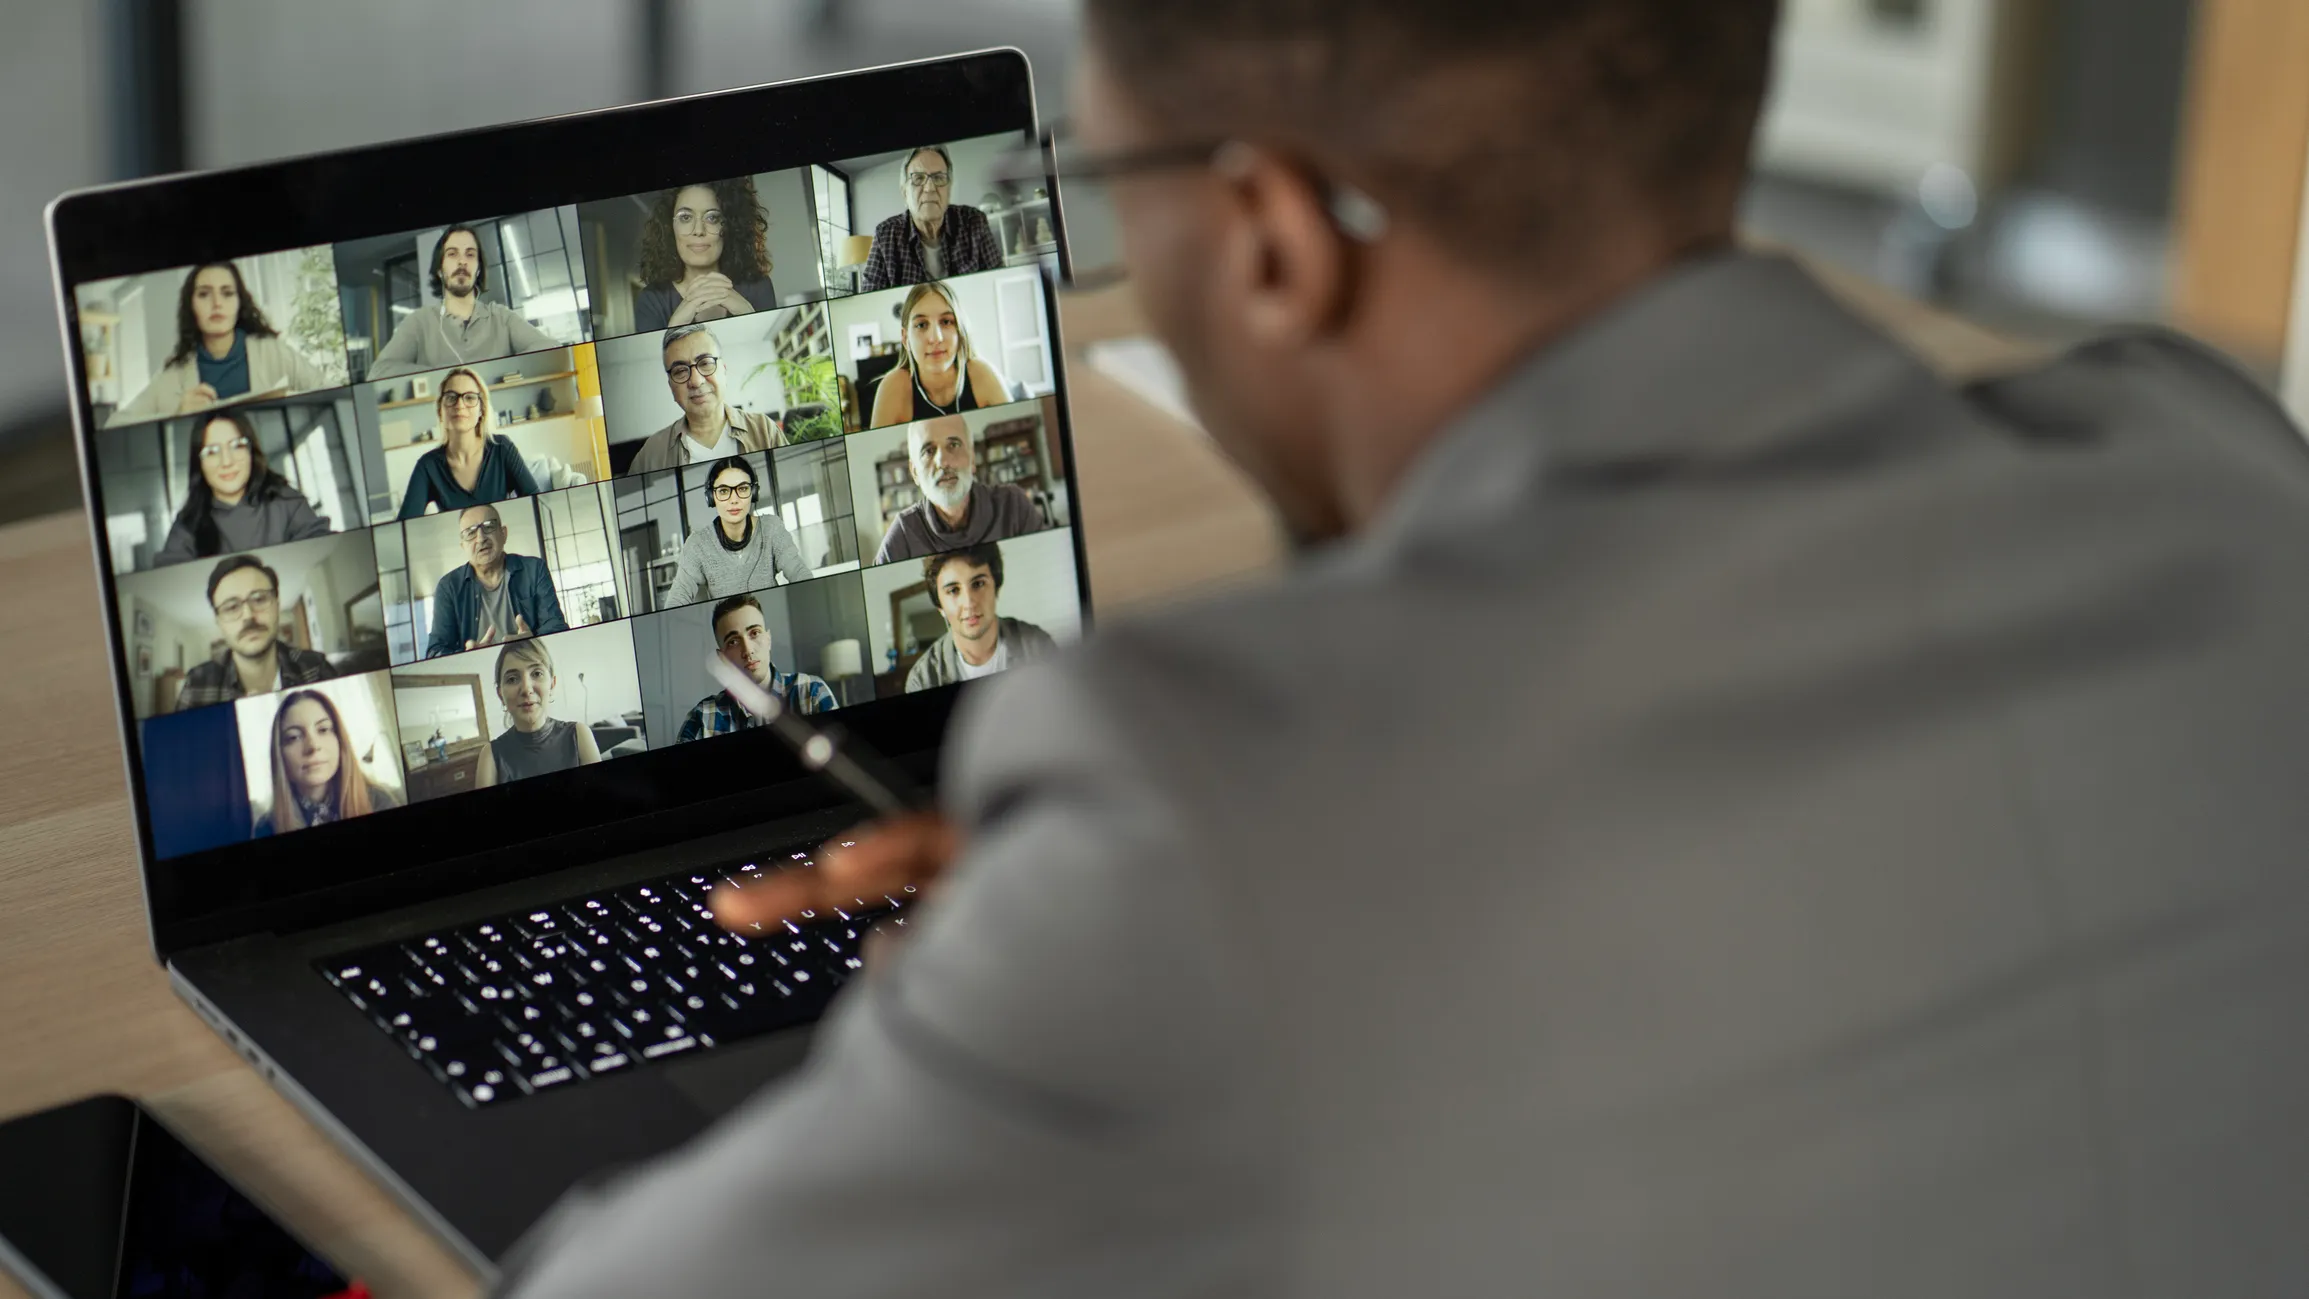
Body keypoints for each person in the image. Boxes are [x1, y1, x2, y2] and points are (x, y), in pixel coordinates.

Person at [503, 1, 2309, 1295]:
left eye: (1117, 178)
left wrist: (1044, 986)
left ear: (1278, 237)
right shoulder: (2215, 471)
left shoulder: (1202, 813)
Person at [108, 261, 330, 426]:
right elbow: (114, 424)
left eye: (227, 293)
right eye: (204, 294)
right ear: (191, 306)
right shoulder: (172, 375)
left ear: (239, 303)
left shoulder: (272, 351)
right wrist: (177, 417)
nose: (217, 303)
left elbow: (327, 392)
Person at [367, 225, 560, 380]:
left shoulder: (502, 317)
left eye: (470, 254)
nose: (462, 261)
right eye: (452, 254)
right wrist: (447, 375)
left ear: (478, 270)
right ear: (440, 270)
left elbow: (551, 349)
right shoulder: (418, 322)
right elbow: (379, 371)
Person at [151, 412, 332, 566]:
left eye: (237, 446)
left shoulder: (285, 500)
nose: (227, 461)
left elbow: (321, 545)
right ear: (199, 463)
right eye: (212, 451)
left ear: (250, 451)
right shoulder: (187, 525)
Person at [172, 556, 339, 711]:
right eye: (231, 607)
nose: (248, 616)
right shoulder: (197, 684)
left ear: (276, 605)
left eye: (259, 599)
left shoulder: (316, 667)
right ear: (219, 623)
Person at [873, 415, 1045, 563]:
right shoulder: (902, 536)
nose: (942, 461)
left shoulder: (1013, 505)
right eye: (929, 451)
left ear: (972, 460)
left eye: (953, 445)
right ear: (915, 472)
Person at [678, 593, 838, 742]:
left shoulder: (812, 692)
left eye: (754, 633)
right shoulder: (701, 718)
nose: (748, 650)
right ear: (722, 658)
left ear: (768, 640)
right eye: (733, 642)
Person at [625, 325, 783, 473]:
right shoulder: (650, 455)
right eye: (680, 371)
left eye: (705, 363)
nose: (696, 381)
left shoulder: (763, 430)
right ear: (671, 386)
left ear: (723, 371)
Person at [903, 543, 1056, 691]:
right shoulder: (922, 680)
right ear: (940, 607)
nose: (969, 603)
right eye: (953, 590)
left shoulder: (1038, 645)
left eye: (978, 584)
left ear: (996, 589)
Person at [631, 180, 779, 332]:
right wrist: (676, 325)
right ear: (670, 228)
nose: (699, 230)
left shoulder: (759, 286)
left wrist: (748, 315)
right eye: (685, 218)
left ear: (730, 226)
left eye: (712, 218)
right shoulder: (651, 300)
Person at [423, 505, 569, 659]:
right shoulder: (449, 587)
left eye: (488, 526)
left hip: (532, 660)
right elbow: (435, 651)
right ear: (463, 546)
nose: (481, 538)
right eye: (470, 533)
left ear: (503, 534)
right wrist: (467, 656)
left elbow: (556, 627)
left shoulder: (533, 569)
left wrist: (532, 642)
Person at [865, 280, 1012, 431]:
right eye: (921, 325)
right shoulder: (893, 387)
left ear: (959, 331)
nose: (935, 338)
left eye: (946, 322)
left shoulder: (983, 374)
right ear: (905, 338)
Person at [395, 368, 541, 519]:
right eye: (451, 397)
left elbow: (537, 501)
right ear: (440, 411)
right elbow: (404, 524)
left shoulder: (502, 448)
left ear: (481, 410)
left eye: (470, 398)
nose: (459, 405)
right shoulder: (427, 466)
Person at [663, 456, 809, 607]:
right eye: (724, 491)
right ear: (711, 497)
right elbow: (677, 598)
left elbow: (799, 573)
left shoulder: (771, 528)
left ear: (753, 493)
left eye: (743, 488)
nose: (734, 499)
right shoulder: (697, 544)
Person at [859, 145, 1008, 292]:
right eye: (918, 178)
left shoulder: (975, 222)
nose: (930, 188)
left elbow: (1000, 284)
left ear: (948, 189)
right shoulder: (885, 236)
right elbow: (869, 298)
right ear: (905, 193)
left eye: (938, 178)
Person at [251, 689, 399, 837]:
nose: (313, 746)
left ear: (340, 740)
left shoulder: (380, 802)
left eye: (323, 729)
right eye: (294, 737)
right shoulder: (266, 828)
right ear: (279, 754)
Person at [485, 638, 601, 784]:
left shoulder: (579, 735)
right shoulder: (490, 755)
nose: (527, 689)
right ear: (500, 694)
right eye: (513, 679)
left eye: (537, 673)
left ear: (552, 685)